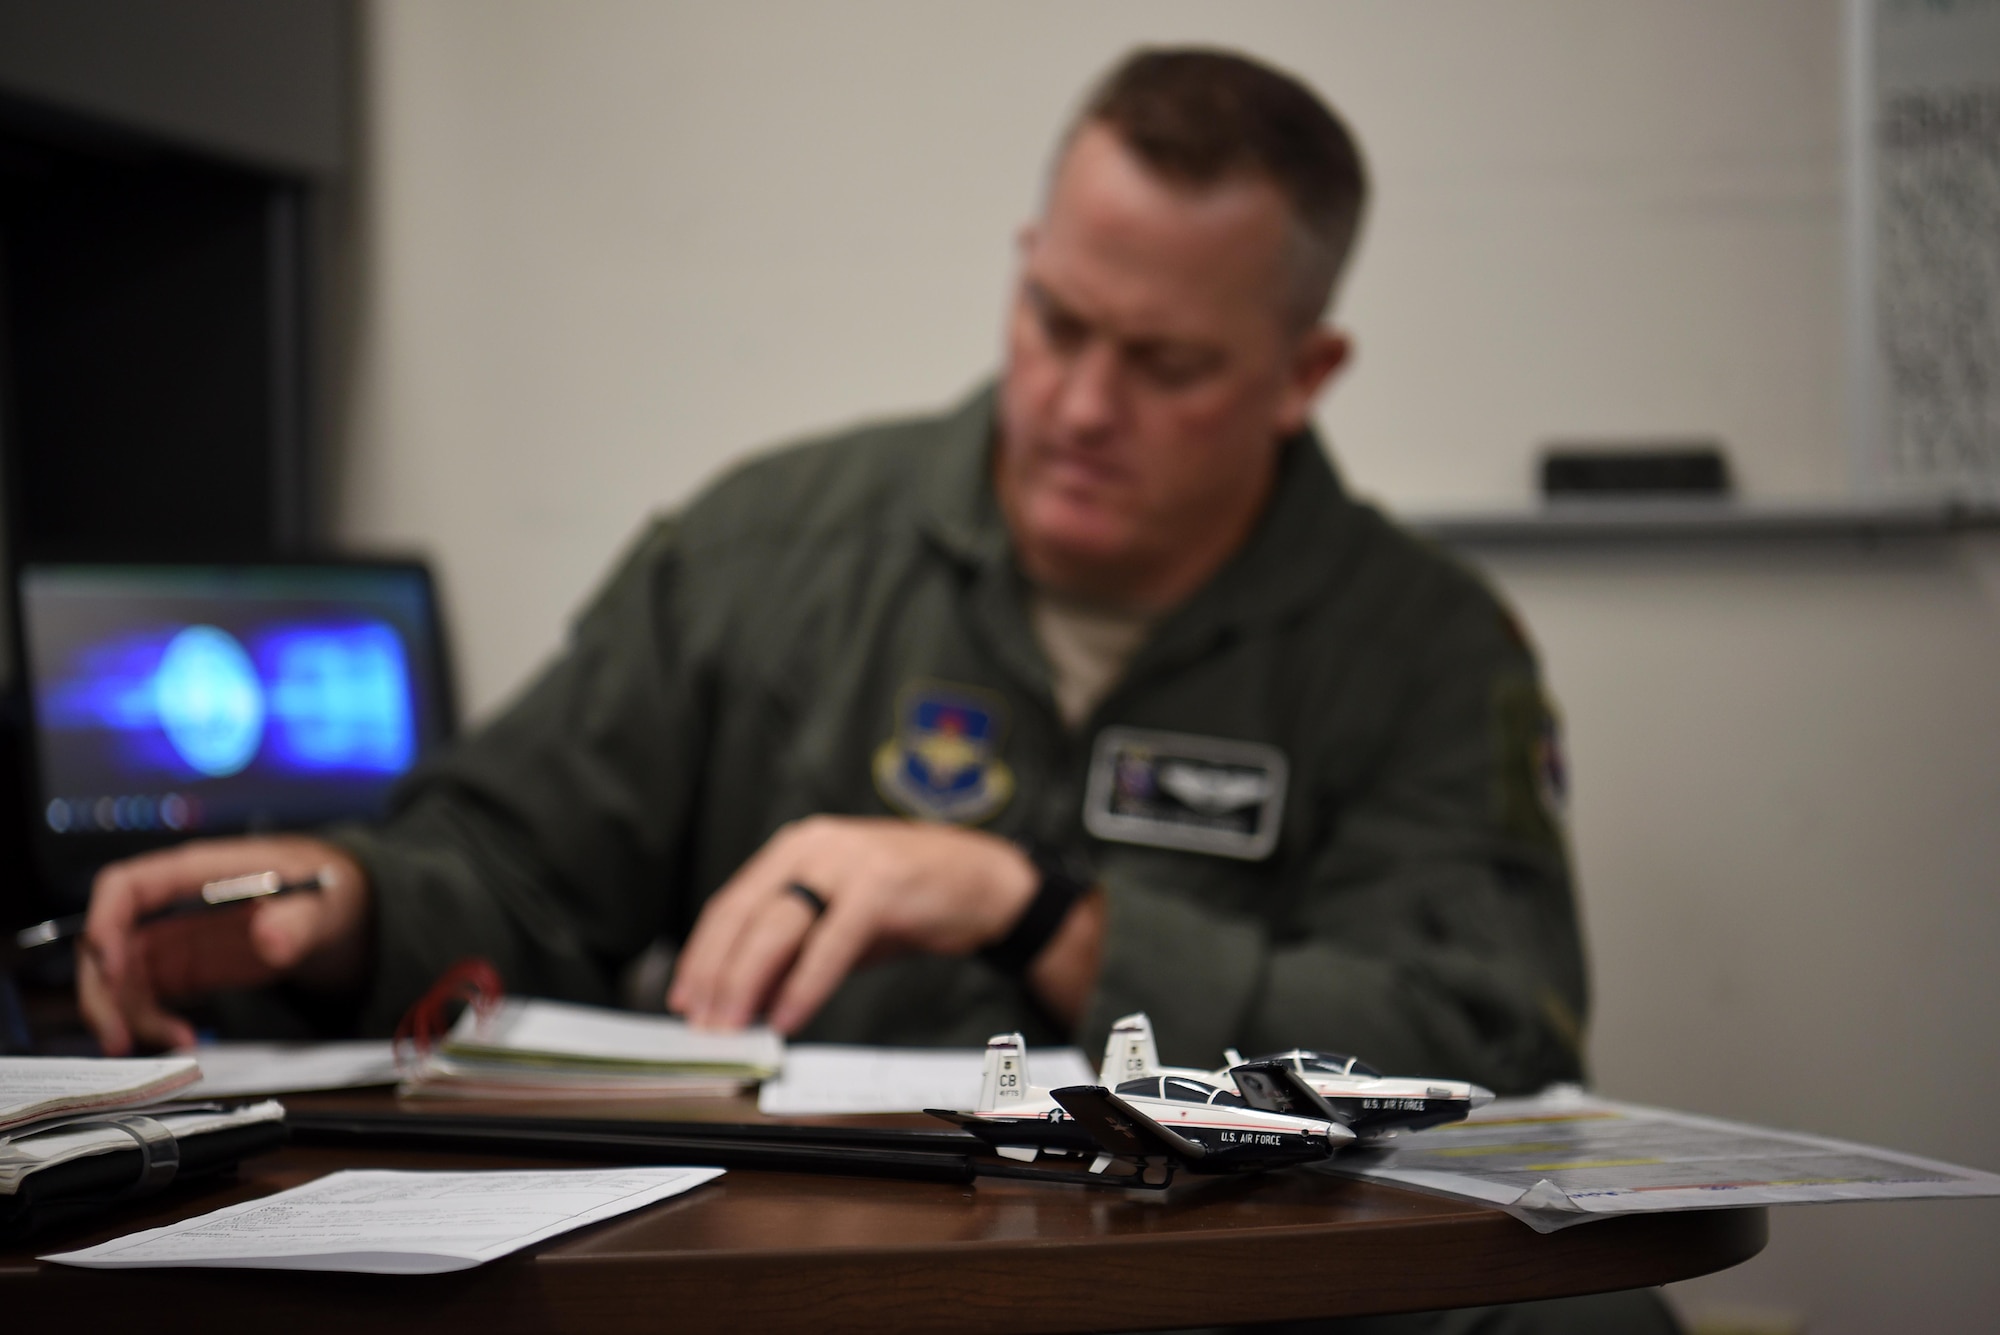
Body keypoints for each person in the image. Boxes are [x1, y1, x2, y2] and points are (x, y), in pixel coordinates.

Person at [79, 48, 1587, 1097]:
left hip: (1240, 1294)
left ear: (1301, 373)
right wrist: (341, 900)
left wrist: (1035, 912)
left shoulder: (1427, 649)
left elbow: (1479, 1043)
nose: (1076, 405)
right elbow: (521, 868)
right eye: (1055, 320)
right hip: (819, 1273)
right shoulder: (771, 550)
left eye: (1167, 364)